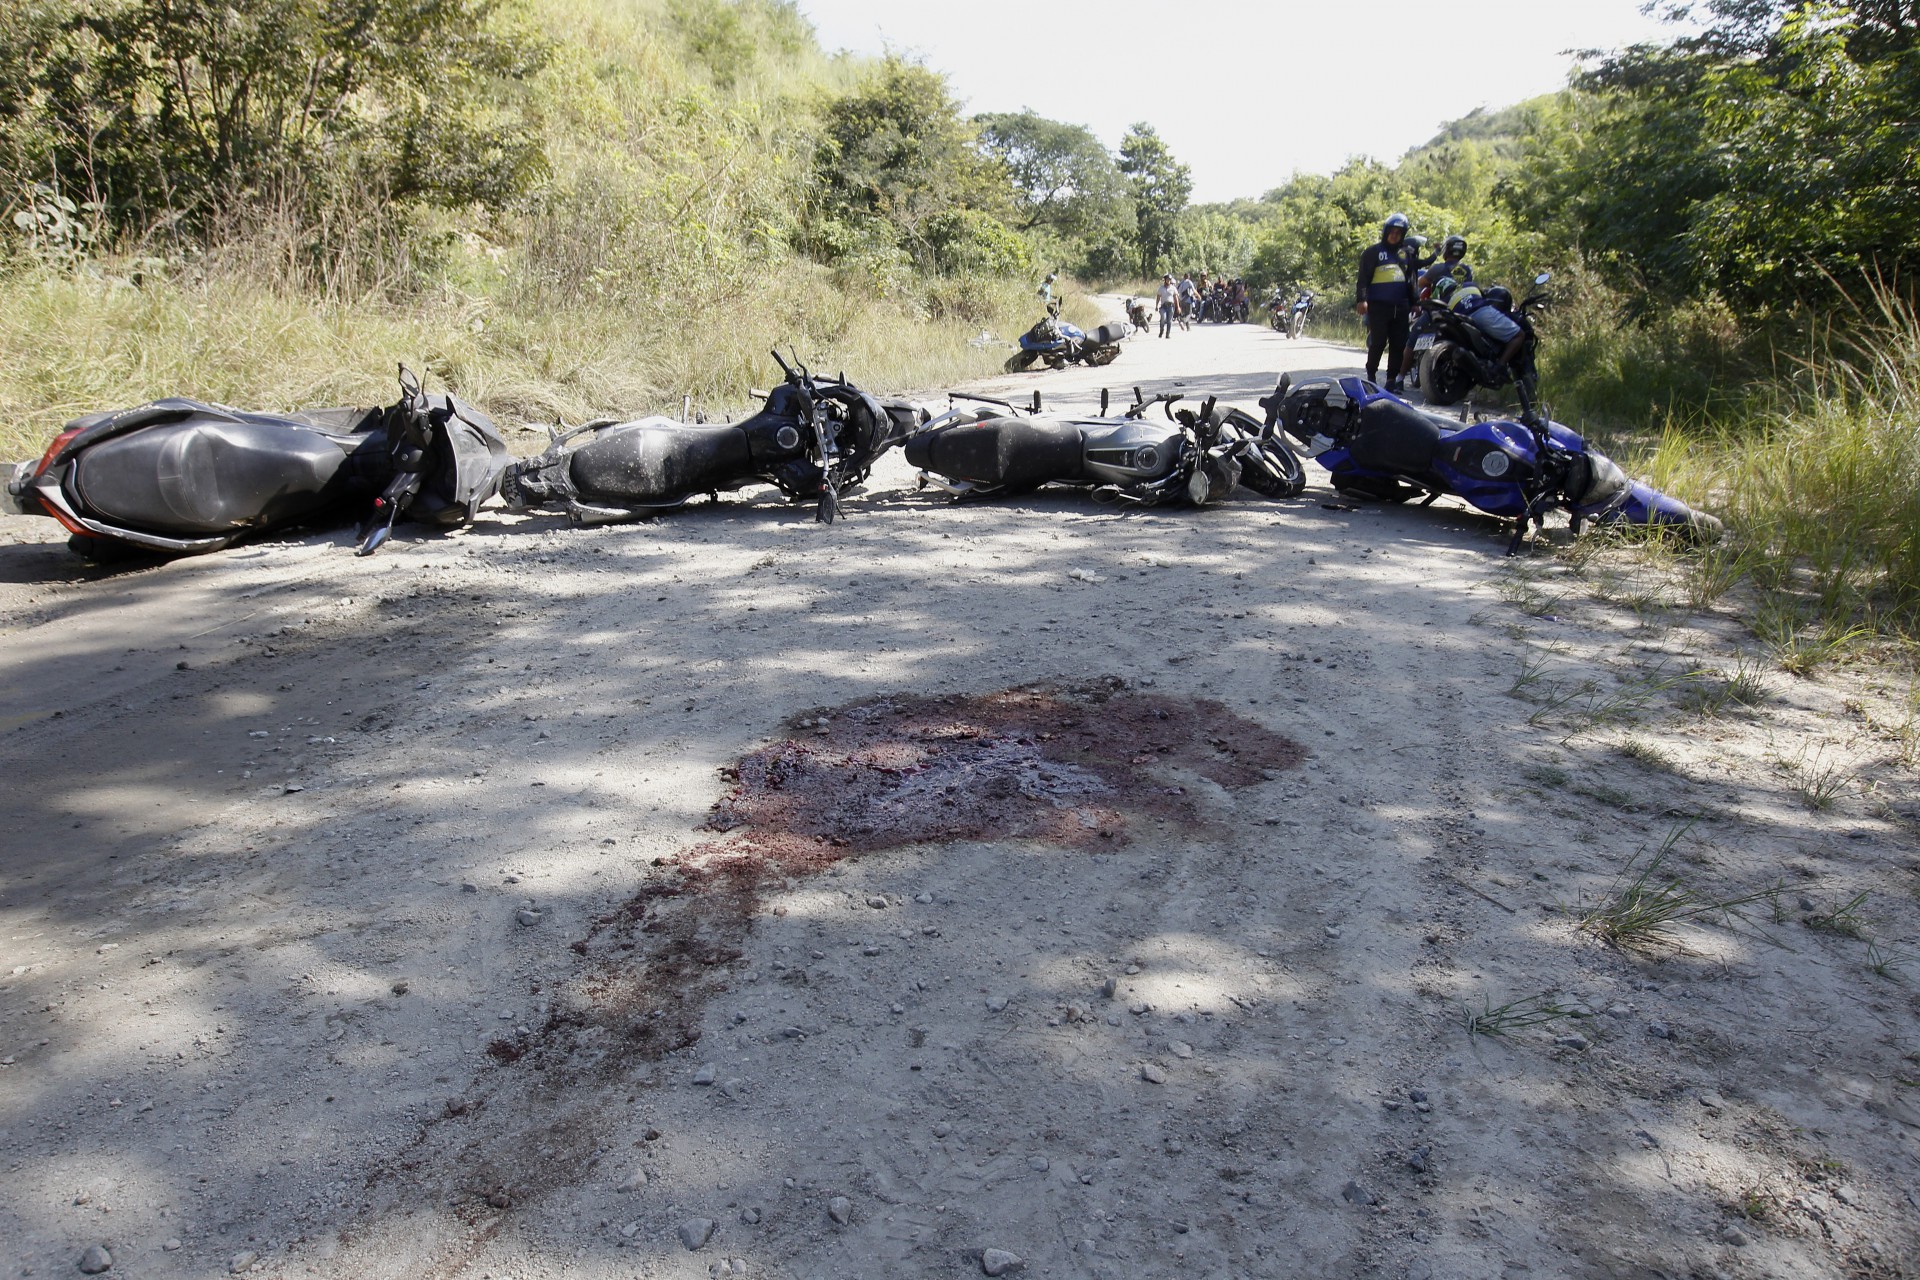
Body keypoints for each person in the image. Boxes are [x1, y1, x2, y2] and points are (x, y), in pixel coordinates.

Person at [1354, 212, 1419, 391]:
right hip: (1378, 306)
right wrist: (1362, 300)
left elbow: (1412, 279)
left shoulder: (1407, 253)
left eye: (1399, 232)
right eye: (1392, 231)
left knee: (1398, 343)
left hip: (1402, 305)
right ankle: (1371, 375)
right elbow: (1363, 279)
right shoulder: (1372, 252)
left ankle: (1391, 380)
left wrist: (1416, 302)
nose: (1394, 235)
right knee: (1379, 342)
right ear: (1386, 231)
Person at [1404, 234, 1473, 384]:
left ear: (1446, 250)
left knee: (1413, 336)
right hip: (1460, 311)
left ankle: (1399, 377)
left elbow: (1420, 283)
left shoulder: (1437, 268)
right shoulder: (1466, 270)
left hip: (1437, 311)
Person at [1155, 273, 1178, 339]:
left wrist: (1178, 307)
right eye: (1167, 279)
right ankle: (1161, 330)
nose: (1168, 281)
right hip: (1163, 307)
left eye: (1169, 280)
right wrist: (1156, 306)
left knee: (1169, 321)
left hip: (1171, 306)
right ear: (1164, 280)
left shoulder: (1173, 288)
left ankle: (1167, 334)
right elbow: (1158, 297)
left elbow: (1175, 297)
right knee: (1163, 318)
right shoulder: (1161, 288)